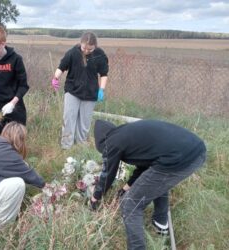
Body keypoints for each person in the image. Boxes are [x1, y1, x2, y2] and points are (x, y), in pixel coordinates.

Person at [90, 119, 206, 250]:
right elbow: (144, 169)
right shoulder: (126, 135)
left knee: (130, 203)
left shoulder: (111, 143)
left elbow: (107, 175)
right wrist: (124, 188)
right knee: (158, 180)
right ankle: (161, 223)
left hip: (181, 157)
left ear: (100, 142)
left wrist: (95, 197)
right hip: (194, 149)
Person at [51, 32, 109, 149]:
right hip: (72, 90)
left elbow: (104, 74)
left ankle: (80, 146)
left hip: (90, 93)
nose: (86, 51)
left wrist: (101, 89)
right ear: (81, 44)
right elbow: (61, 67)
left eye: (90, 49)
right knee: (69, 119)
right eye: (84, 48)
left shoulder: (100, 55)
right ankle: (66, 146)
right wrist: (55, 78)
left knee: (84, 123)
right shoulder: (73, 53)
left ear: (95, 46)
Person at [0, 25, 29, 134]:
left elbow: (23, 86)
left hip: (14, 103)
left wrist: (12, 103)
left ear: (2, 44)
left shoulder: (16, 59)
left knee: (16, 136)